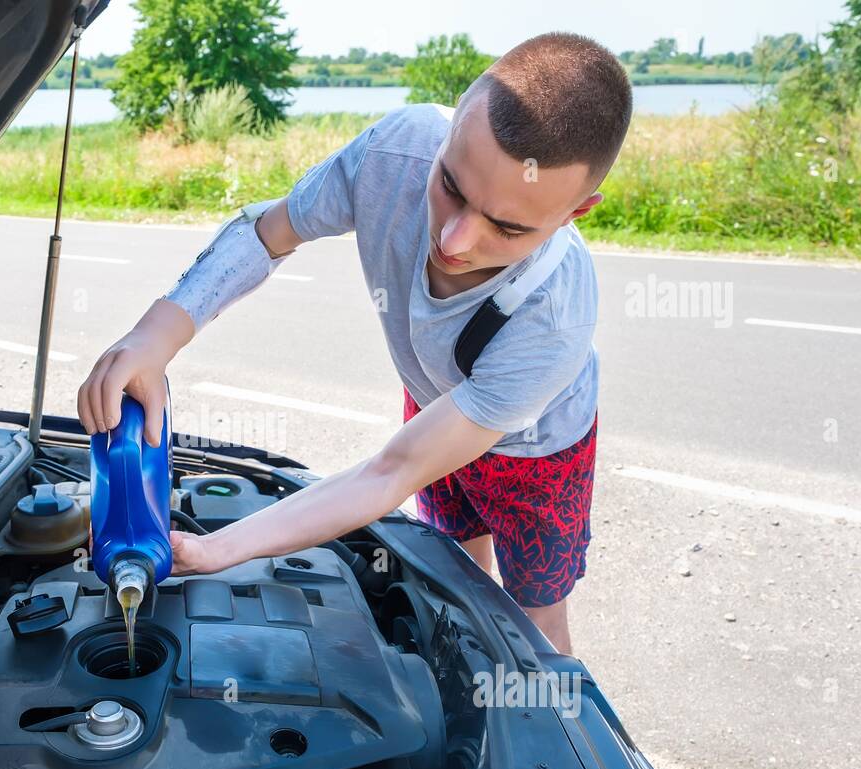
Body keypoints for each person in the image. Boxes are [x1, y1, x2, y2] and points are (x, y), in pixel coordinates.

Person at [76, 32, 633, 656]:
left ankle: (536, 726)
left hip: (535, 453)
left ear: (575, 212)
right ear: (449, 132)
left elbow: (391, 471)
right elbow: (267, 231)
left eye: (506, 227)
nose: (453, 239)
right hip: (436, 400)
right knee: (455, 573)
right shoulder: (395, 153)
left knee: (534, 626)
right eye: (451, 184)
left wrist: (218, 549)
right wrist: (155, 335)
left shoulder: (552, 319)